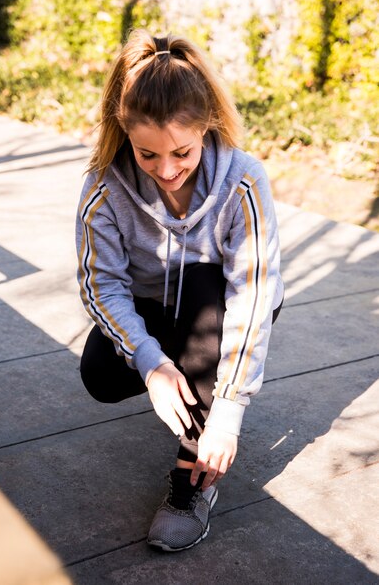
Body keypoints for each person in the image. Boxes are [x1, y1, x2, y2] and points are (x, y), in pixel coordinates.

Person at [76, 29, 284, 552]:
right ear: (123, 131)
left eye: (182, 153)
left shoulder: (242, 181)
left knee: (201, 280)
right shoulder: (104, 185)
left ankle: (195, 472)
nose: (166, 171)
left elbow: (252, 298)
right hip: (153, 307)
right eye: (147, 155)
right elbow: (101, 283)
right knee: (101, 372)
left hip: (219, 305)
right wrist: (151, 363)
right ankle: (186, 377)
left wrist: (228, 414)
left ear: (207, 127)